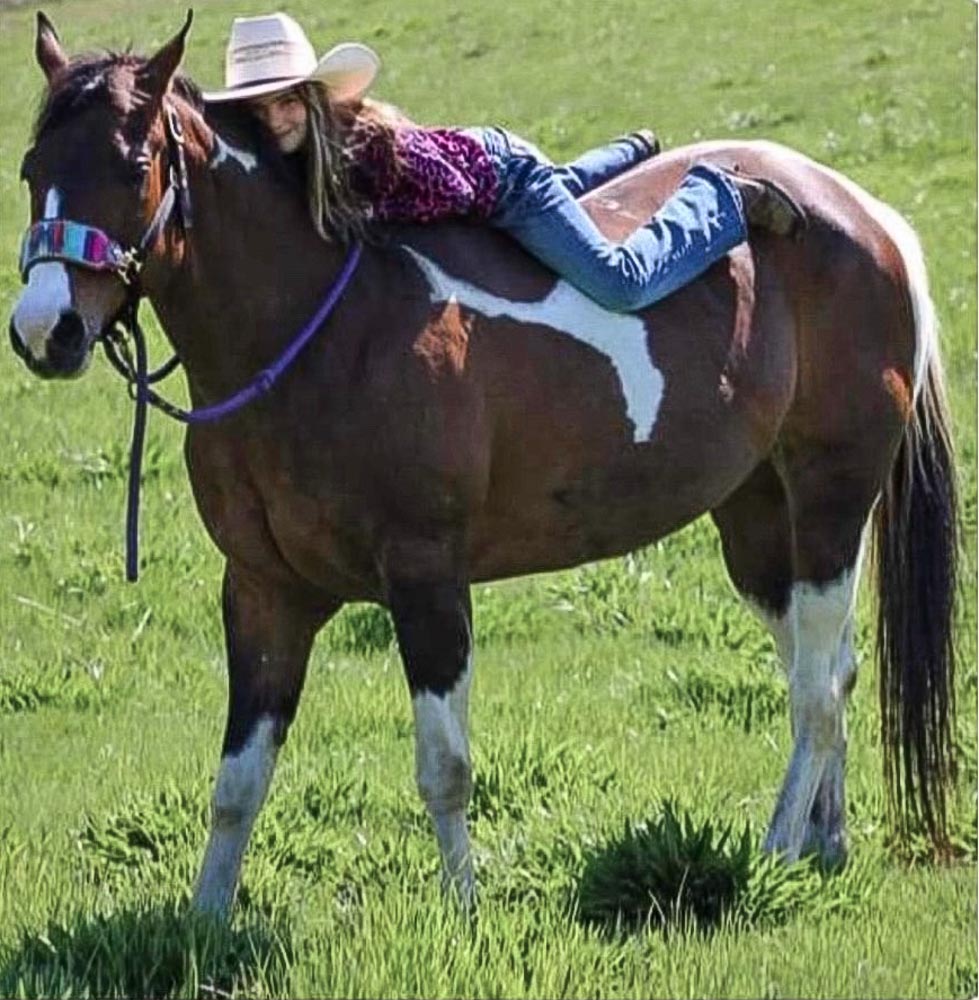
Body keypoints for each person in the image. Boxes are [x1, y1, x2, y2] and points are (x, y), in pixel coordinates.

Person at [204, 13, 805, 313]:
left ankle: (719, 198)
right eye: (259, 111)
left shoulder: (373, 151)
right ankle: (631, 151)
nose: (276, 119)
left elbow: (455, 188)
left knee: (618, 280)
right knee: (570, 188)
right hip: (485, 161)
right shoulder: (296, 156)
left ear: (311, 99)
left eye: (286, 102)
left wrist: (375, 214)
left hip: (504, 183)